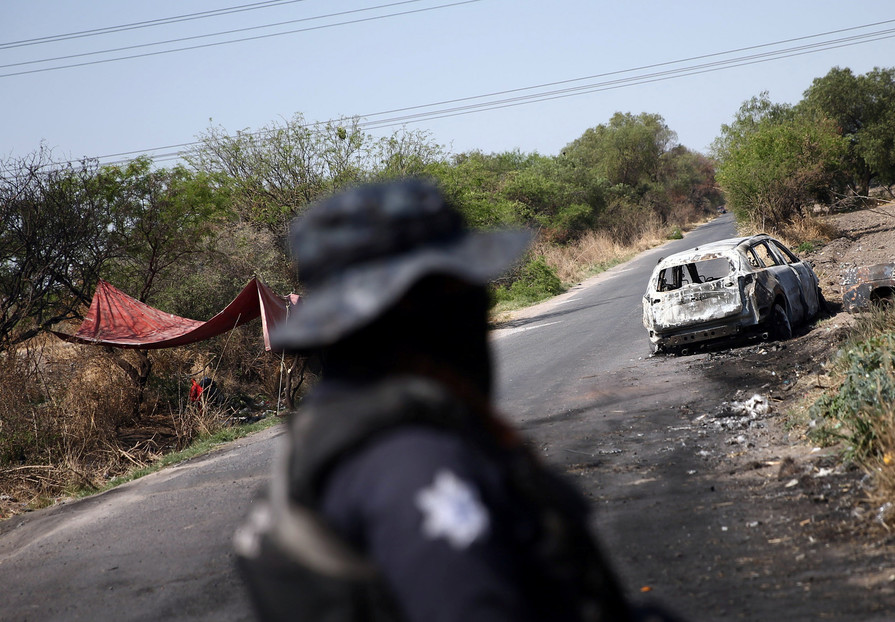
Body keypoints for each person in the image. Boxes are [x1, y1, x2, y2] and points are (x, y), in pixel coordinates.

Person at [234, 180, 667, 622]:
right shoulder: (411, 463)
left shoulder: (333, 431)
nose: (478, 312)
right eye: (465, 295)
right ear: (415, 310)